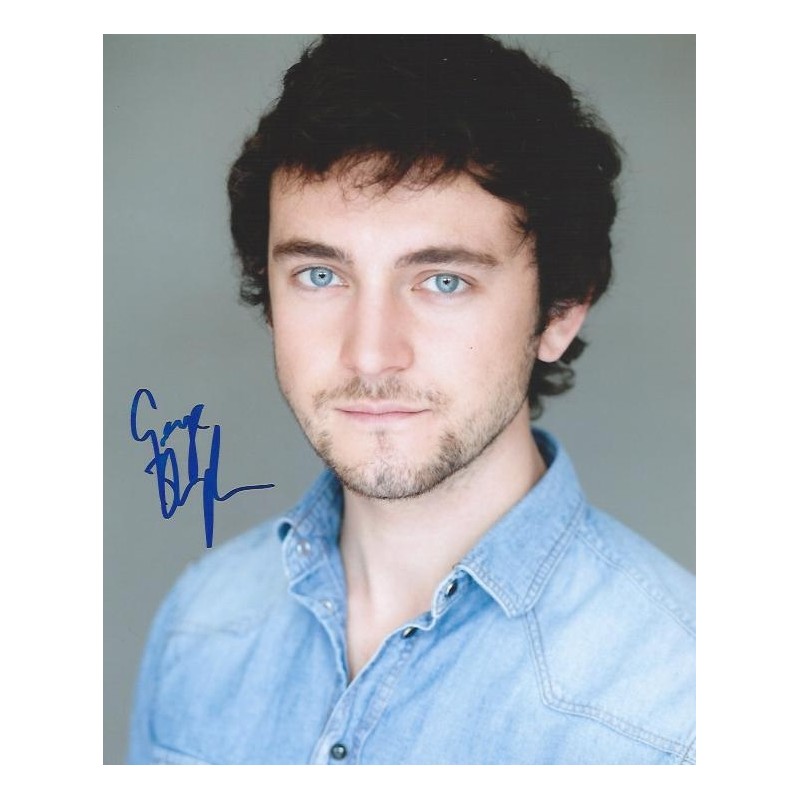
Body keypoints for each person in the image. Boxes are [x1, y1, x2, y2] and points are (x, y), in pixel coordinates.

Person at [128, 35, 695, 765]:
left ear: (559, 313)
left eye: (443, 281)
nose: (369, 354)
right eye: (321, 276)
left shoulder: (684, 710)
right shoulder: (199, 624)